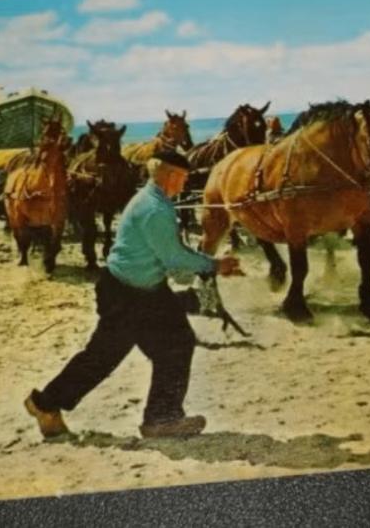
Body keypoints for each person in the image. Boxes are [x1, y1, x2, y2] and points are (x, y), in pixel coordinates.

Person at [24, 150, 243, 439]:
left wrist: (205, 266)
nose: (185, 184)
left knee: (164, 347)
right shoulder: (154, 209)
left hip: (141, 289)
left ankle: (49, 404)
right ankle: (157, 420)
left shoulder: (154, 200)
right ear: (169, 175)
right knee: (118, 355)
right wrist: (214, 265)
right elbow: (174, 258)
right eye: (184, 178)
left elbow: (171, 255)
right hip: (128, 295)